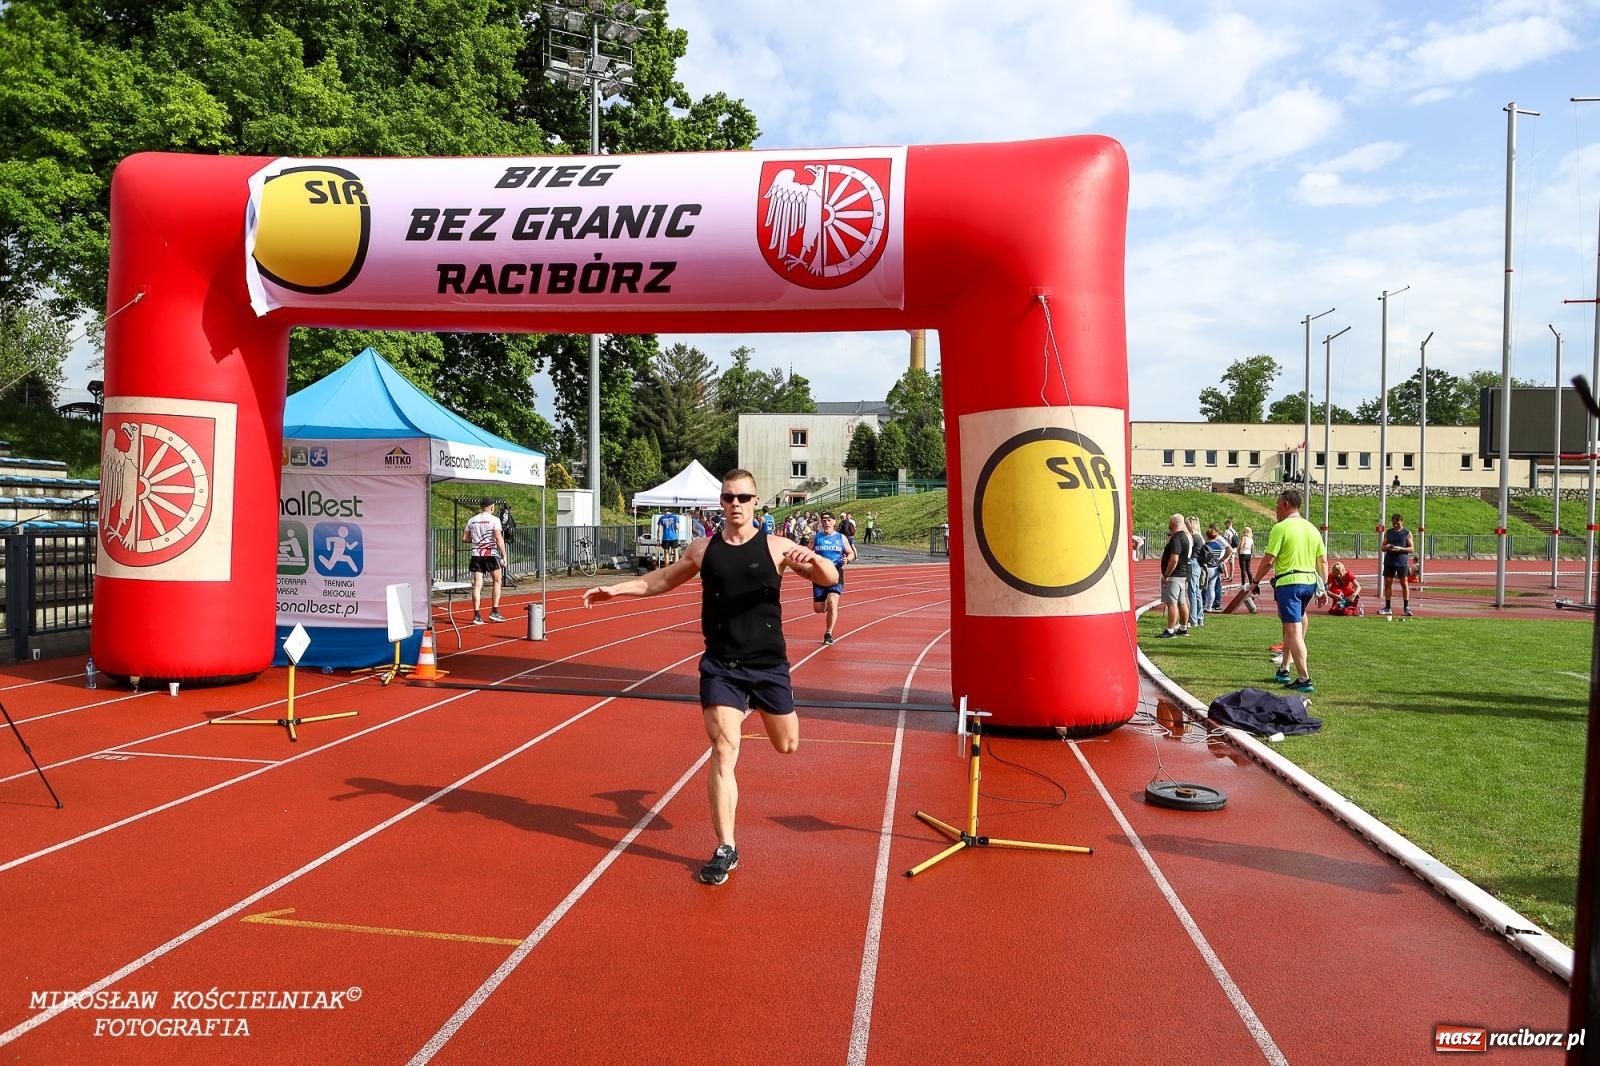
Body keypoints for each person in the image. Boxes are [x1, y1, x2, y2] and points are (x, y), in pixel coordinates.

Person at [582, 469, 840, 886]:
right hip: (721, 665)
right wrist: (617, 589)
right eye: (727, 497)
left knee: (787, 745)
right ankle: (726, 846)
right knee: (723, 750)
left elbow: (830, 578)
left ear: (757, 501)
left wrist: (815, 561)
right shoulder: (703, 549)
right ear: (720, 502)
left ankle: (755, 706)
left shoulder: (777, 547)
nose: (734, 504)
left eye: (742, 497)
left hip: (768, 665)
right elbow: (661, 580)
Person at [1252, 488, 1328, 693]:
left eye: (1277, 504)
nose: (1275, 508)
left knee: (1292, 630)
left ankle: (1304, 678)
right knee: (1293, 626)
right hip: (1308, 583)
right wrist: (1324, 588)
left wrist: (1255, 580)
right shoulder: (1312, 529)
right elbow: (1322, 561)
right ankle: (1284, 668)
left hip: (1290, 583)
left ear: (1286, 504)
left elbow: (1269, 560)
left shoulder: (1281, 528)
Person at [809, 511, 857, 644]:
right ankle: (826, 605)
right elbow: (808, 550)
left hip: (836, 574)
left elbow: (850, 552)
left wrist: (847, 559)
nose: (826, 523)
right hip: (819, 575)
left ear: (834, 522)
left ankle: (828, 633)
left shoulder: (841, 538)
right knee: (818, 609)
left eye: (829, 520)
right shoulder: (816, 537)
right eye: (823, 520)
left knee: (832, 603)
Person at [462, 500, 507, 624]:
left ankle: (476, 615)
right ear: (491, 507)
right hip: (490, 554)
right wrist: (504, 555)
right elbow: (498, 538)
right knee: (497, 580)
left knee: (477, 584)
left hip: (476, 554)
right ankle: (494, 611)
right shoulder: (494, 520)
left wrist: (477, 539)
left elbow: (464, 539)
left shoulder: (472, 520)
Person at [1156, 513, 1192, 638]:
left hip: (1174, 575)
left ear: (1173, 523)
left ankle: (1171, 630)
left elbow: (1174, 559)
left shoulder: (1176, 538)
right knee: (1182, 602)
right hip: (1182, 574)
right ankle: (1183, 627)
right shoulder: (1185, 537)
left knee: (1172, 603)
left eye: (1170, 522)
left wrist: (1166, 574)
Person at [1379, 512, 1415, 616]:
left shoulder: (1407, 533)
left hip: (1401, 560)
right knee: (1388, 582)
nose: (1395, 525)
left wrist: (1402, 549)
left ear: (1401, 522)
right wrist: (1387, 547)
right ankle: (1387, 607)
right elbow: (1382, 547)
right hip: (1389, 560)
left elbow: (1412, 549)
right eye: (1394, 523)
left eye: (1397, 523)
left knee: (1404, 583)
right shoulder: (1388, 532)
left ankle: (1406, 607)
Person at [1185, 516, 1207, 627]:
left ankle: (1193, 619)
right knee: (1197, 592)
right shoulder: (1200, 537)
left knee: (1192, 592)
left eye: (1187, 524)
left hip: (1193, 563)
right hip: (1198, 564)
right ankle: (1199, 618)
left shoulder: (1193, 537)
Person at [1204, 524, 1228, 612]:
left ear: (1207, 536)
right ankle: (1209, 607)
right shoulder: (1218, 546)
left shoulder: (1205, 546)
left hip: (1207, 568)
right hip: (1215, 568)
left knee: (1203, 588)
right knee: (1211, 588)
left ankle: (1203, 604)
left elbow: (1203, 558)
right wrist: (1221, 560)